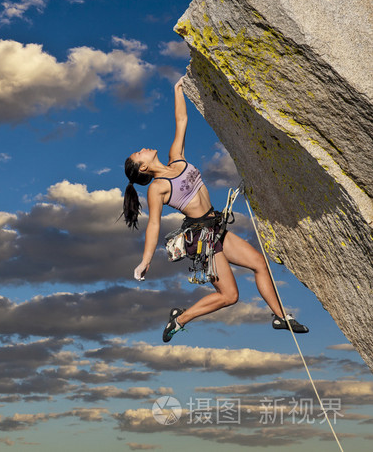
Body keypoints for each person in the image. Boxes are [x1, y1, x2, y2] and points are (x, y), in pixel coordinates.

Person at [123, 77, 309, 342]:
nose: (143, 149)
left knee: (259, 263)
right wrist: (146, 260)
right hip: (202, 240)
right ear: (142, 168)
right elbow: (153, 224)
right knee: (230, 296)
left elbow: (181, 121)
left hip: (216, 227)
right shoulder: (157, 188)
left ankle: (280, 317)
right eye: (138, 154)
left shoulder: (177, 157)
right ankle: (180, 319)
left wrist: (178, 90)